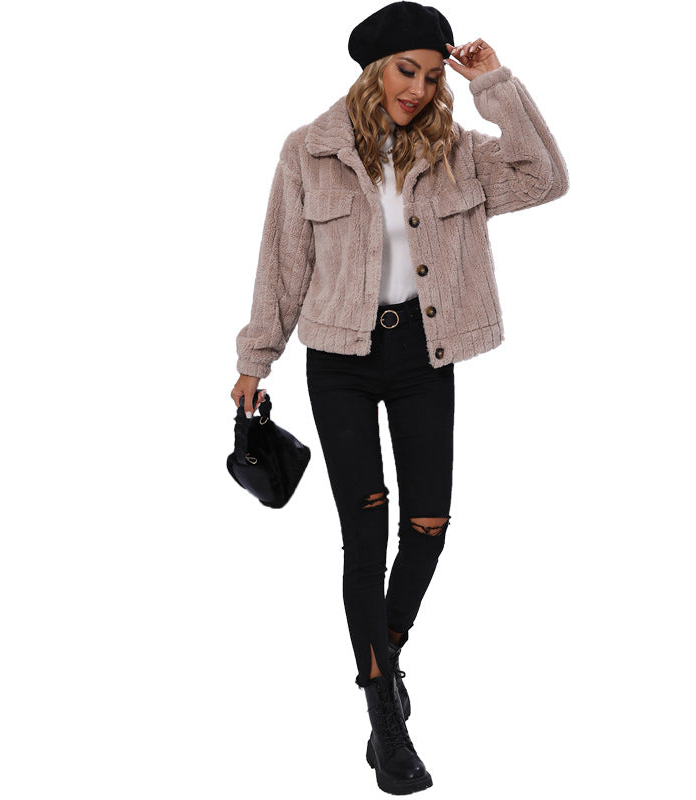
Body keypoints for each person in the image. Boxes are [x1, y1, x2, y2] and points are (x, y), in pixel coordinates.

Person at [230, 1, 568, 793]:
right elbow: (281, 260)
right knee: (366, 534)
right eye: (404, 70)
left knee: (429, 527)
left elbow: (545, 178)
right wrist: (256, 357)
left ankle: (387, 649)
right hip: (338, 360)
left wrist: (493, 84)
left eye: (430, 74)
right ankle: (385, 716)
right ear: (374, 69)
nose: (417, 88)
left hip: (423, 351)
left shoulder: (458, 151)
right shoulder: (308, 150)